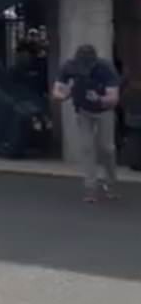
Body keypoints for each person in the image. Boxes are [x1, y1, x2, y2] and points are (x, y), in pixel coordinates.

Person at [52, 43, 121, 202]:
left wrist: (100, 99)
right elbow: (57, 89)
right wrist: (63, 95)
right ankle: (90, 187)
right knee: (87, 148)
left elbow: (114, 98)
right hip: (83, 111)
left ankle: (111, 184)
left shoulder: (105, 68)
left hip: (104, 111)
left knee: (107, 148)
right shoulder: (69, 67)